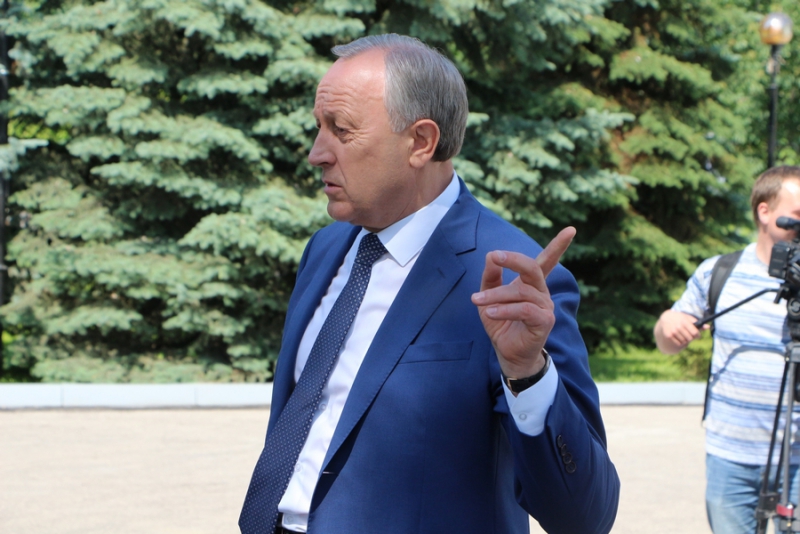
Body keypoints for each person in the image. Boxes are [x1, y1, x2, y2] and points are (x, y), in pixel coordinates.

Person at [239, 34, 619, 534]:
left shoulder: (512, 279)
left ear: (420, 142)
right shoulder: (325, 249)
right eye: (318, 128)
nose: (317, 154)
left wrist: (527, 372)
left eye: (341, 130)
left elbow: (585, 516)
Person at [654, 165, 800, 533]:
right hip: (731, 458)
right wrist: (668, 324)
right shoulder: (718, 272)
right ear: (764, 212)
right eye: (797, 214)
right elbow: (667, 341)